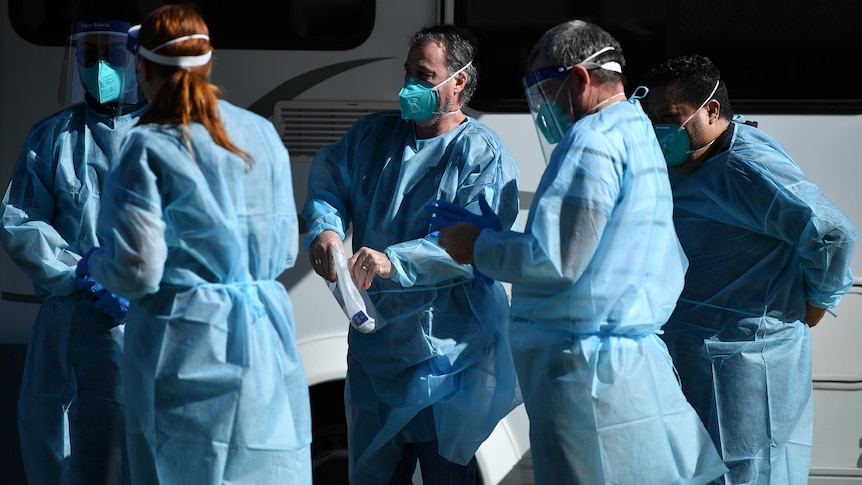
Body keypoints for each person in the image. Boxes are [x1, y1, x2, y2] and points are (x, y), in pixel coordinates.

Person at [431, 20, 728, 484]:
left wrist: (477, 245)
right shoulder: (636, 129)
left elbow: (556, 261)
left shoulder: (591, 143)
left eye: (545, 90)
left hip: (587, 375)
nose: (544, 106)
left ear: (580, 79)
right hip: (625, 367)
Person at [81, 4, 312, 484]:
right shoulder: (260, 134)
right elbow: (287, 246)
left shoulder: (148, 144)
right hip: (263, 339)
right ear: (207, 64)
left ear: (140, 67)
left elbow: (138, 268)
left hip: (184, 343)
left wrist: (96, 264)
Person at [302, 24, 521, 485]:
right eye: (408, 73)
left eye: (424, 75)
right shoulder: (374, 137)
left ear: (458, 80)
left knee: (447, 474)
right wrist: (325, 230)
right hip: (376, 354)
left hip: (446, 354)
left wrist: (392, 262)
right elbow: (329, 183)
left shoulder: (482, 155)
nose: (409, 87)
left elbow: (472, 243)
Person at [643, 54, 857, 484]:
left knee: (749, 470)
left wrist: (817, 301)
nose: (660, 130)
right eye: (653, 119)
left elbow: (832, 233)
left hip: (748, 361)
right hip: (695, 349)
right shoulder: (689, 163)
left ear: (712, 110)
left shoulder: (745, 166)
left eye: (671, 118)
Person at [0, 16, 147, 485]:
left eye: (111, 56)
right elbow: (19, 220)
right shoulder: (54, 137)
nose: (100, 68)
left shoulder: (168, 137)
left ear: (138, 60)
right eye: (89, 57)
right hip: (70, 332)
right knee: (63, 455)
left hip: (149, 329)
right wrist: (80, 271)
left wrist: (144, 282)